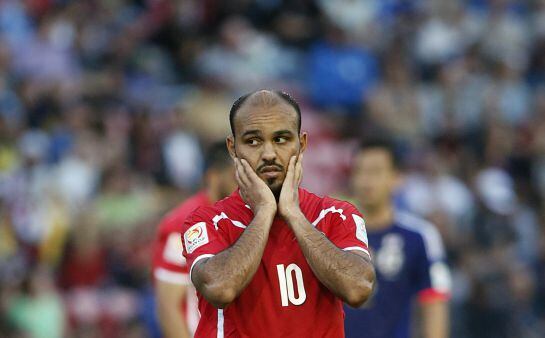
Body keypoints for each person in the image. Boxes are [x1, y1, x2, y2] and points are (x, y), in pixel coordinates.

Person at [180, 90, 375, 337]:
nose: (269, 154)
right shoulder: (207, 221)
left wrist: (294, 214)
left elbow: (358, 288)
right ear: (232, 147)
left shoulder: (336, 214)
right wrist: (264, 213)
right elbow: (220, 288)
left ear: (302, 143)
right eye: (252, 141)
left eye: (281, 139)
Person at [344, 138, 451, 338]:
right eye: (359, 171)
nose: (366, 180)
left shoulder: (419, 237)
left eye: (375, 172)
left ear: (397, 178)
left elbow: (434, 301)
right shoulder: (329, 234)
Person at [152, 142, 236, 338]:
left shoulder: (246, 220)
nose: (244, 182)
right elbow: (169, 307)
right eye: (235, 176)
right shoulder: (180, 226)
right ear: (214, 177)